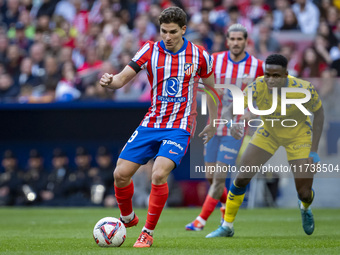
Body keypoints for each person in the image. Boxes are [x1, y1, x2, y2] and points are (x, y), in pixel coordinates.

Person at [99, 6, 218, 248]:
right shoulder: (149, 50)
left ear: (184, 30)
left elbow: (212, 91)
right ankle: (128, 218)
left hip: (180, 125)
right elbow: (122, 79)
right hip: (152, 122)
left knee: (159, 173)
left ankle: (147, 232)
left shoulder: (200, 55)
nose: (168, 36)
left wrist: (214, 122)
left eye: (173, 32)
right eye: (164, 31)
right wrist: (110, 81)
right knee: (120, 175)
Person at [206, 54, 324, 238]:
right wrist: (231, 125)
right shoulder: (257, 86)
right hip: (269, 133)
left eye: (276, 76)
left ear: (285, 74)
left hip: (298, 136)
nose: (270, 79)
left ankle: (305, 207)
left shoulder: (303, 88)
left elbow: (320, 115)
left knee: (304, 192)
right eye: (267, 74)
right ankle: (227, 226)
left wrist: (314, 151)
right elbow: (229, 111)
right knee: (242, 177)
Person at [185, 24, 264, 231]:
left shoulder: (257, 66)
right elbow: (204, 86)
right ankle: (224, 208)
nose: (236, 43)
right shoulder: (215, 61)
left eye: (240, 39)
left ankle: (200, 221)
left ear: (246, 41)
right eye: (233, 39)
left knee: (219, 177)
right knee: (211, 177)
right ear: (227, 41)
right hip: (213, 125)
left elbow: (266, 98)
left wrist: (251, 112)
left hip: (235, 129)